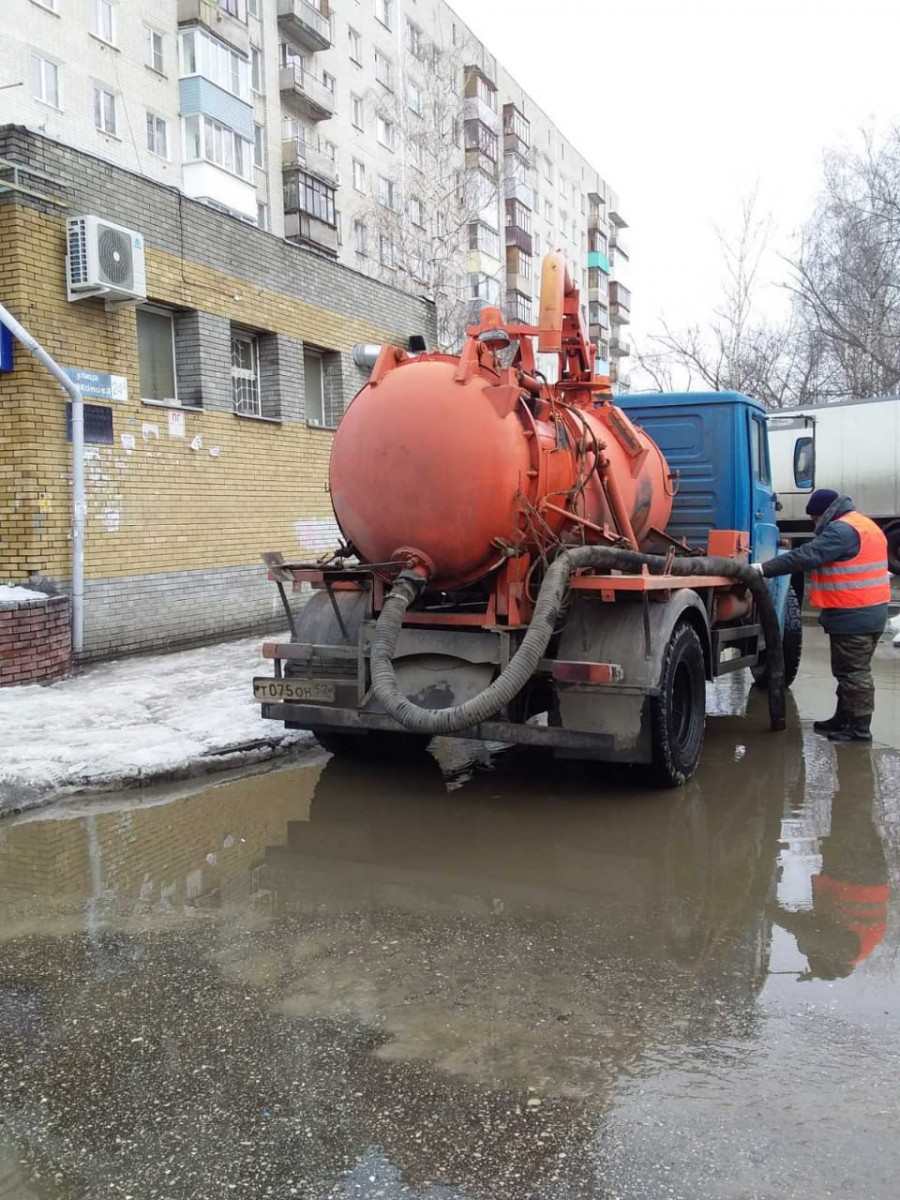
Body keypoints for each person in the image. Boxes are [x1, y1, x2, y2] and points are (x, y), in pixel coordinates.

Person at [753, 489, 890, 742]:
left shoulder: (841, 530)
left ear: (824, 513)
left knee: (854, 674)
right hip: (868, 611)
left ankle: (859, 729)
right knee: (847, 671)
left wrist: (763, 568)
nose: (815, 523)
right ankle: (843, 719)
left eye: (815, 518)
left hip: (854, 614)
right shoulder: (864, 525)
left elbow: (807, 556)